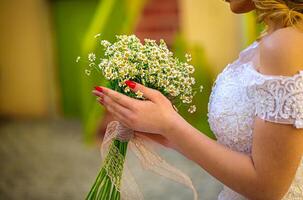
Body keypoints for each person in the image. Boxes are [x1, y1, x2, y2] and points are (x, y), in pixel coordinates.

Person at [92, 0, 303, 199]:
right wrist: (166, 132)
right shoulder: (269, 40)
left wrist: (170, 125)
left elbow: (267, 188)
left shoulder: (285, 44)